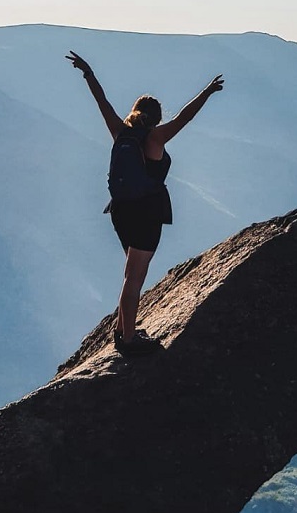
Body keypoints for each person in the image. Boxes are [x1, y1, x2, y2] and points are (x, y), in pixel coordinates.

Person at [66, 50, 224, 354]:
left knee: (132, 272)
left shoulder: (120, 132)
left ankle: (122, 327)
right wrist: (207, 92)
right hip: (146, 213)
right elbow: (185, 117)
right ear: (156, 118)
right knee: (135, 277)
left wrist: (88, 73)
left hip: (120, 210)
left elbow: (103, 103)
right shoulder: (156, 138)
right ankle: (127, 340)